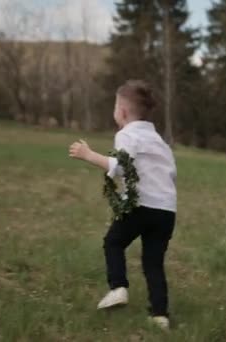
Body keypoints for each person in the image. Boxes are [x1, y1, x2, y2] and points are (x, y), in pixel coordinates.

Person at [68, 80, 177, 330]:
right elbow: (171, 175)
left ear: (123, 112)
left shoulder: (126, 134)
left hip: (141, 205)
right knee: (153, 262)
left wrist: (88, 155)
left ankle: (118, 287)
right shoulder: (160, 141)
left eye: (115, 106)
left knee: (113, 242)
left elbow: (120, 166)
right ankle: (159, 315)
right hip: (166, 210)